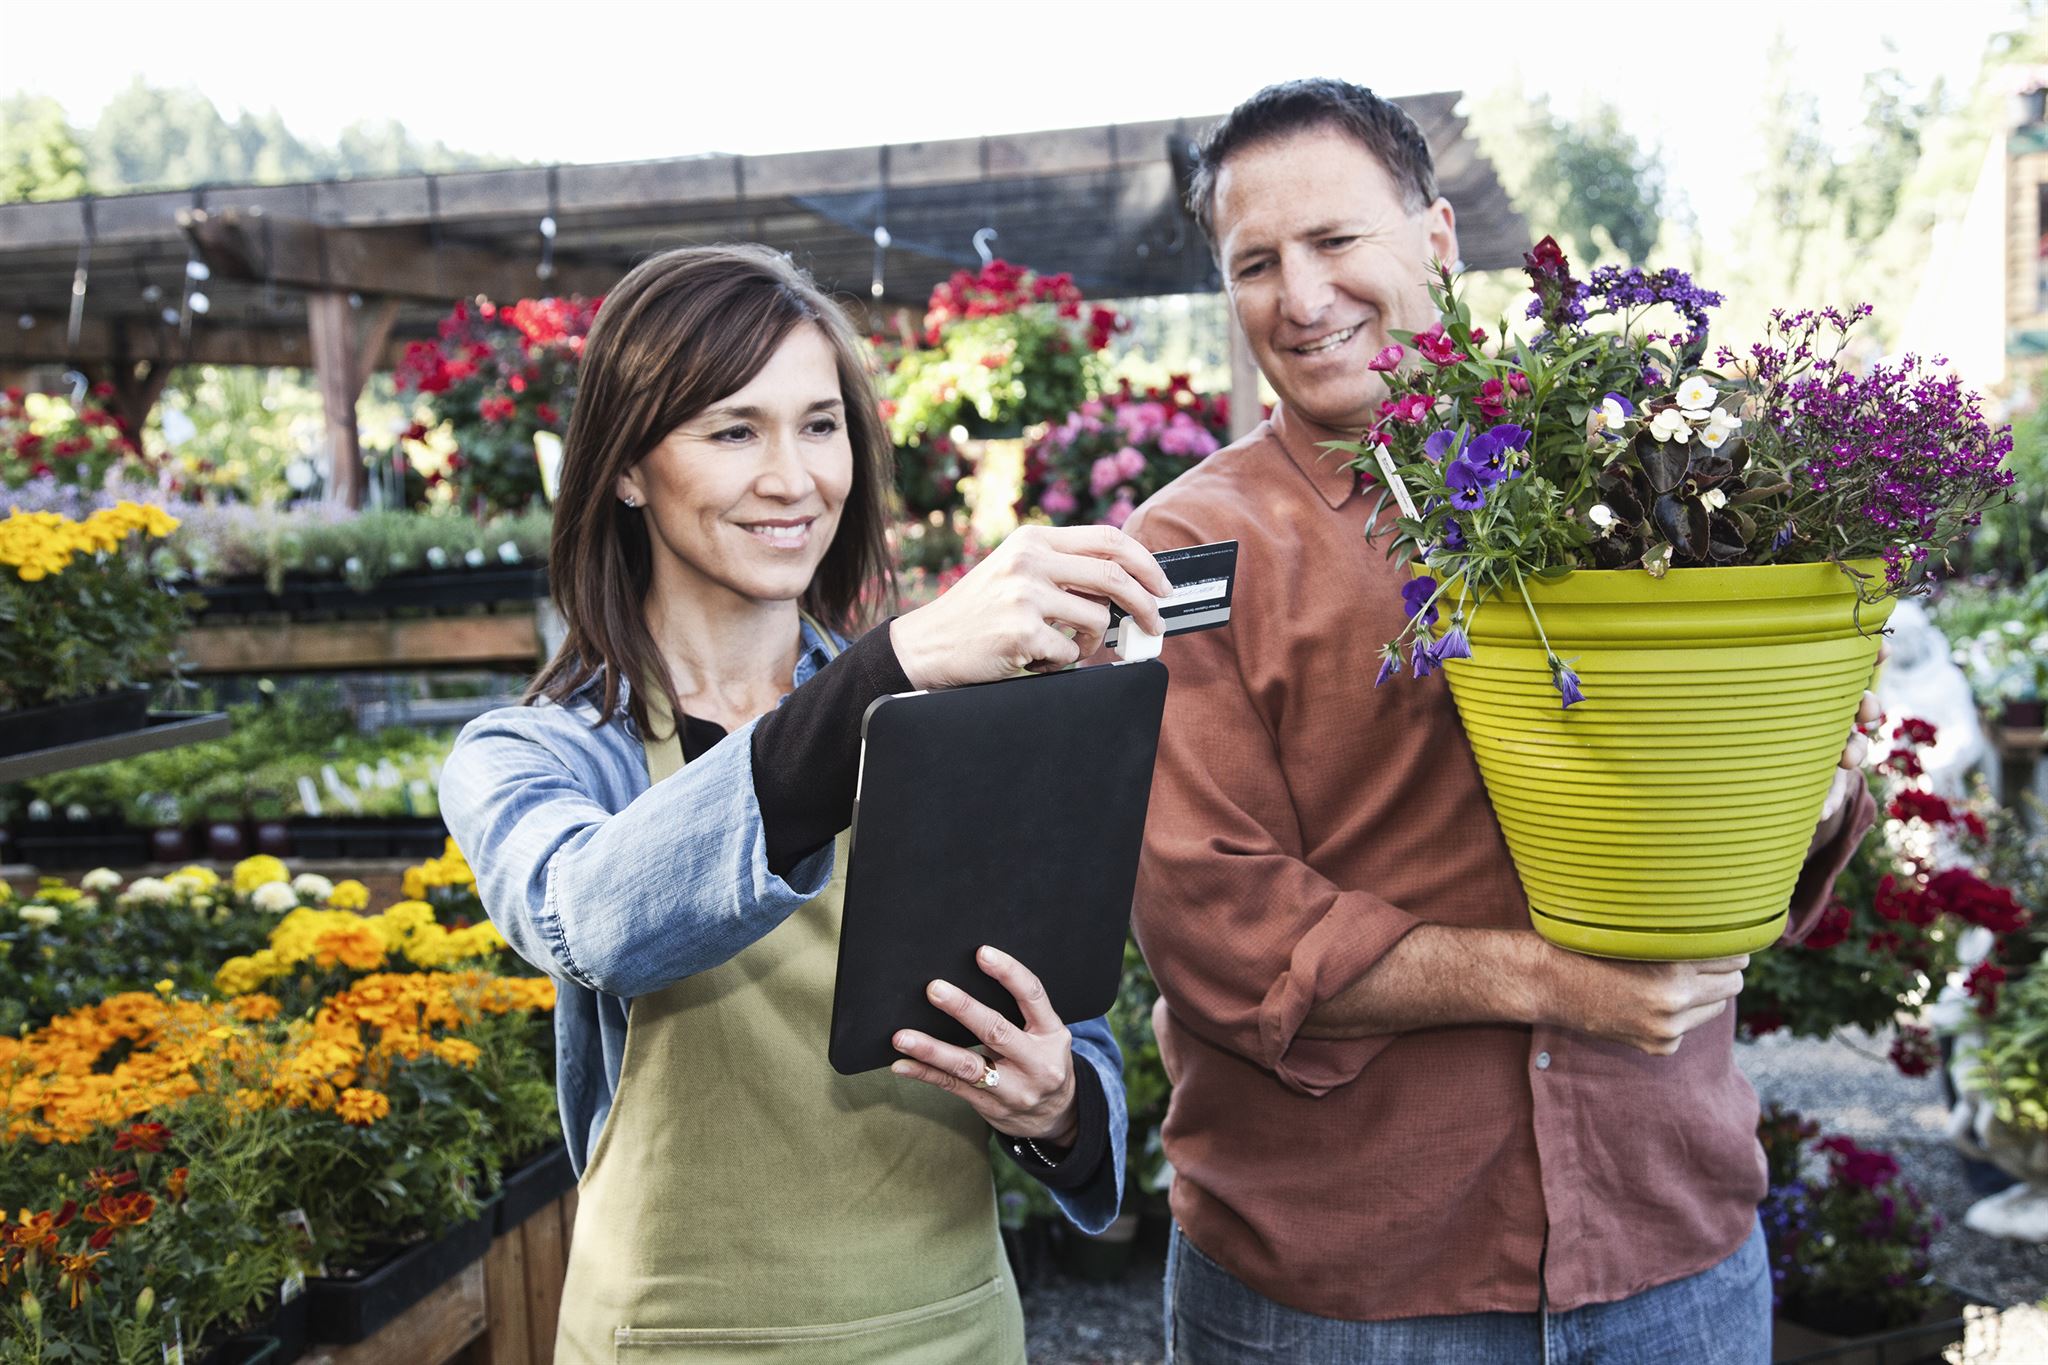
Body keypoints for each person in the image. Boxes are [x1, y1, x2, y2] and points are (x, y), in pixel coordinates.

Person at [1122, 79, 1881, 1362]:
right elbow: (1212, 920)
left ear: (1433, 237)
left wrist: (1797, 786)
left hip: (1667, 1252)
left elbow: (1771, 811)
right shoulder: (1188, 551)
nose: (1299, 298)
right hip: (1345, 1287)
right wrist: (1551, 985)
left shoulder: (1630, 462)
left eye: (1334, 241)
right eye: (1254, 263)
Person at [441, 243, 1171, 1363]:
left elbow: (1067, 1036)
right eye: (734, 430)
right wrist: (883, 673)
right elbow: (587, 918)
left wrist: (1060, 1105)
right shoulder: (536, 756)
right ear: (626, 469)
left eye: (819, 424)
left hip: (950, 1329)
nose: (793, 477)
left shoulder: (959, 718)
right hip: (675, 1343)